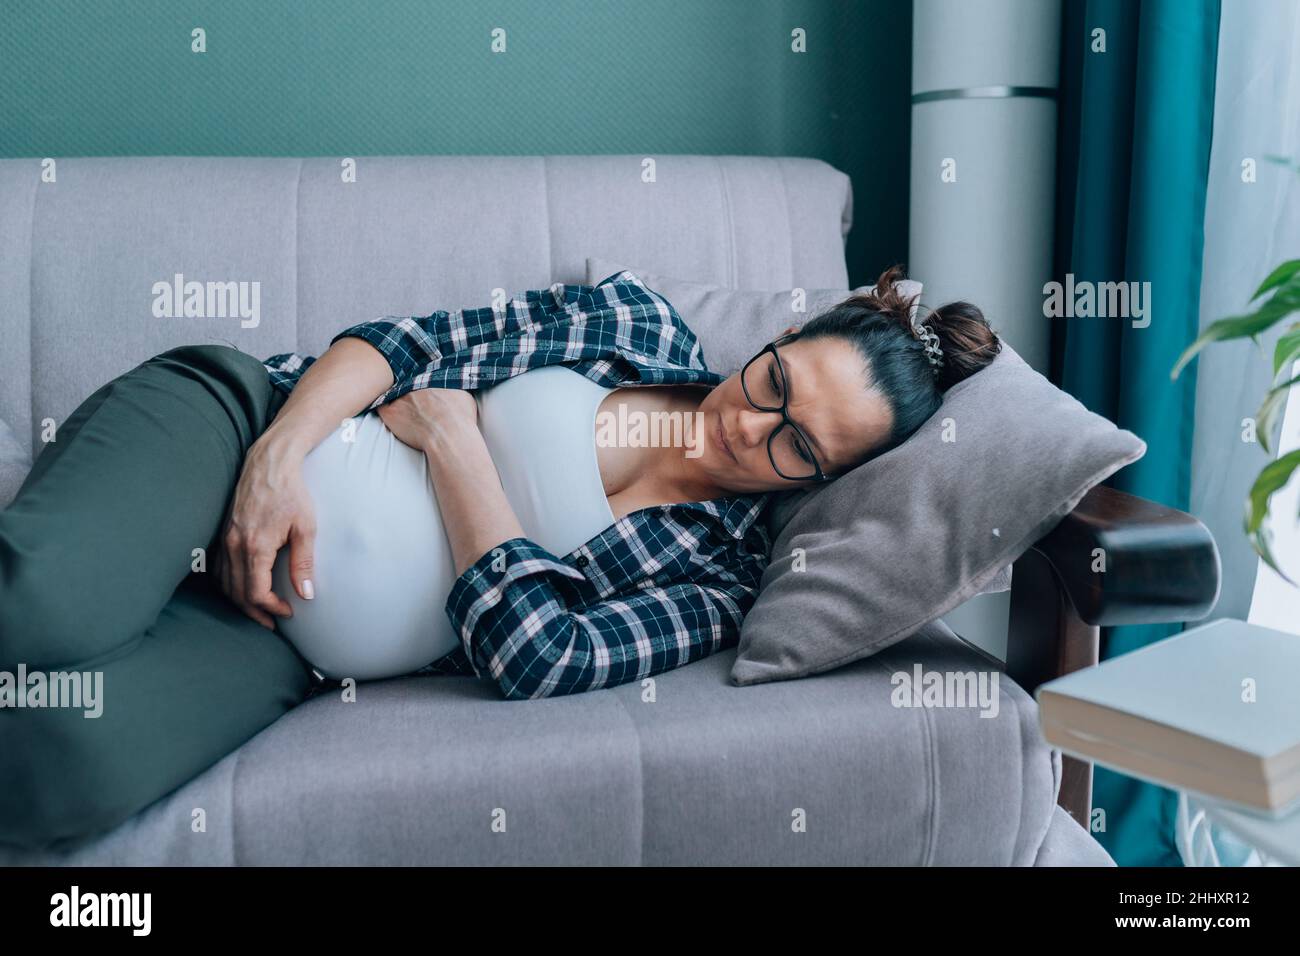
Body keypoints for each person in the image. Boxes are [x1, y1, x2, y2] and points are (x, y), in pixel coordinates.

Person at [0, 265, 999, 848]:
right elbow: (400, 345)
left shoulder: (720, 578)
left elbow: (542, 655)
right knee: (39, 604)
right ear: (781, 335)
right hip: (238, 430)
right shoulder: (631, 324)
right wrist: (273, 459)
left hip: (279, 635)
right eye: (774, 379)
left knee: (63, 767)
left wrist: (457, 444)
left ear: (821, 479)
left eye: (797, 446)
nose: (751, 427)